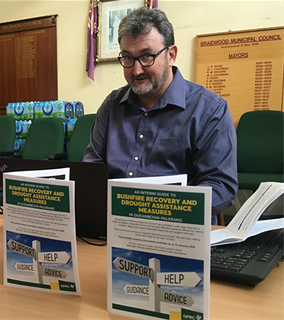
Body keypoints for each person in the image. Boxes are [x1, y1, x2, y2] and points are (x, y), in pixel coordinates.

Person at [83, 7, 237, 223]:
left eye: (147, 56)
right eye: (128, 58)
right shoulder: (112, 105)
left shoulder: (209, 109)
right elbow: (92, 169)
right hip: (113, 226)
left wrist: (160, 212)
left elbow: (221, 185)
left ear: (171, 55)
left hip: (179, 228)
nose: (136, 70)